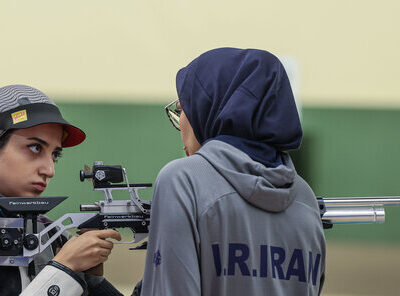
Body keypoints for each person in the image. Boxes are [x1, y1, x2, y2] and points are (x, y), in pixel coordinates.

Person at [140, 48, 326, 295]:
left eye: (183, 108)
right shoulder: (305, 197)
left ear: (208, 107)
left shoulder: (182, 180)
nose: (180, 123)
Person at [0, 85, 123, 296]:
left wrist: (92, 281)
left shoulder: (51, 237)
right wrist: (65, 268)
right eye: (35, 147)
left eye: (55, 155)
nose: (49, 170)